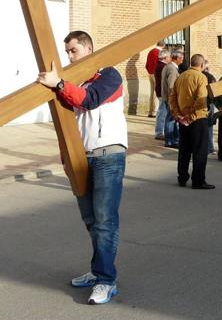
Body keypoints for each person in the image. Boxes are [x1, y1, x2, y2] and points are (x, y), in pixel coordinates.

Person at [37, 31, 127, 305]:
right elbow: (69, 121)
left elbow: (90, 100)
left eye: (73, 50)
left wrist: (60, 82)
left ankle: (106, 281)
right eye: (67, 51)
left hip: (108, 155)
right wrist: (65, 155)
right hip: (81, 157)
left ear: (88, 49)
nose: (69, 56)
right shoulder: (75, 83)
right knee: (90, 219)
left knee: (105, 221)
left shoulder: (109, 75)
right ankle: (98, 269)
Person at [169, 54, 215, 189]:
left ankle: (182, 177)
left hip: (183, 119)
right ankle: (198, 180)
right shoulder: (201, 77)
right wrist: (190, 117)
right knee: (200, 151)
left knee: (184, 150)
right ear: (202, 65)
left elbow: (172, 97)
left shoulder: (181, 76)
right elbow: (201, 99)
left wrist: (178, 115)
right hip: (197, 119)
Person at [161, 49, 183, 148]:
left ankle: (172, 139)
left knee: (171, 118)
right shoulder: (172, 69)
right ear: (177, 58)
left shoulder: (168, 66)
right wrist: (173, 100)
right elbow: (171, 86)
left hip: (167, 97)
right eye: (181, 58)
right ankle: (170, 141)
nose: (182, 60)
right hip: (170, 98)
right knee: (171, 119)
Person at [153, 48, 171, 140]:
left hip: (160, 91)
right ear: (165, 57)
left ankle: (160, 131)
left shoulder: (160, 65)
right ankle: (159, 132)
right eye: (168, 56)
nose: (170, 58)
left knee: (162, 112)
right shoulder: (163, 66)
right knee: (162, 113)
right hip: (162, 92)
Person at [145, 40, 164, 117]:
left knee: (152, 92)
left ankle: (150, 111)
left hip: (150, 73)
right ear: (163, 46)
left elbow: (147, 64)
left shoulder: (150, 51)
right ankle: (154, 111)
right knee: (156, 92)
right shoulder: (160, 53)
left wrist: (150, 72)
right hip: (156, 74)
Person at [202, 64, 218, 156]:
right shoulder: (210, 76)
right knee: (209, 126)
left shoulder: (196, 75)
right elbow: (215, 91)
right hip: (208, 103)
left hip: (198, 104)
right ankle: (209, 147)